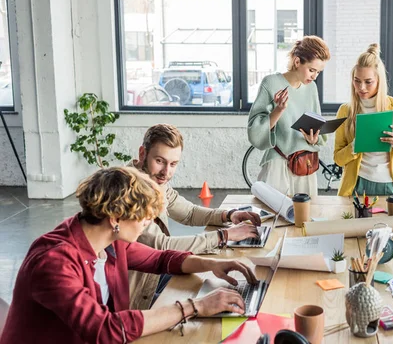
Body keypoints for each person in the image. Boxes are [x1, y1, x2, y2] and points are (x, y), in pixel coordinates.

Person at [0, 167, 256, 344]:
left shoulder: (108, 240)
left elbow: (159, 259)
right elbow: (104, 330)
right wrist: (196, 306)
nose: (148, 222)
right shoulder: (53, 262)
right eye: (144, 216)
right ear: (115, 219)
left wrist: (212, 263)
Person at [129, 123, 261, 310]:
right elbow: (161, 246)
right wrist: (224, 236)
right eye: (159, 161)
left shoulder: (154, 181)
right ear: (142, 154)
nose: (166, 172)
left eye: (173, 164)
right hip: (138, 294)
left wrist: (228, 215)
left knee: (217, 285)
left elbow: (189, 213)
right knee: (206, 302)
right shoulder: (129, 192)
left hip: (154, 275)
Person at [248, 36, 331, 198]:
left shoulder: (311, 88)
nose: (314, 76)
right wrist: (278, 110)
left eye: (318, 72)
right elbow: (254, 131)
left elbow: (318, 126)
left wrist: (314, 139)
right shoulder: (271, 83)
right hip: (278, 165)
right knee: (273, 216)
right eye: (312, 70)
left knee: (305, 218)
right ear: (297, 62)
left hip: (305, 165)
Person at [334, 43, 393, 197]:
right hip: (357, 184)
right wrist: (354, 146)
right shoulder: (345, 111)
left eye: (368, 81)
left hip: (391, 184)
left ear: (379, 80)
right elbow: (338, 159)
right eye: (357, 81)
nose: (361, 87)